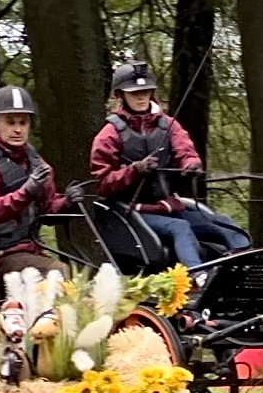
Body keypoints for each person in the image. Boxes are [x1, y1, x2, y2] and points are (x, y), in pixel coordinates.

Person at [89, 60, 251, 269]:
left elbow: (185, 149)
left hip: (169, 206)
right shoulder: (109, 134)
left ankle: (246, 266)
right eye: (134, 92)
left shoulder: (169, 125)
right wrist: (134, 171)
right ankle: (198, 279)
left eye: (146, 91)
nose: (141, 96)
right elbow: (102, 183)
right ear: (120, 95)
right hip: (134, 213)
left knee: (224, 223)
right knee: (180, 227)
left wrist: (191, 164)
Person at [0, 85, 85, 292]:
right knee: (58, 274)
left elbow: (47, 206)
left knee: (79, 275)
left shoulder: (35, 161)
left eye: (23, 122)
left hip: (29, 252)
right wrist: (26, 192)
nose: (18, 129)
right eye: (10, 122)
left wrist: (67, 202)